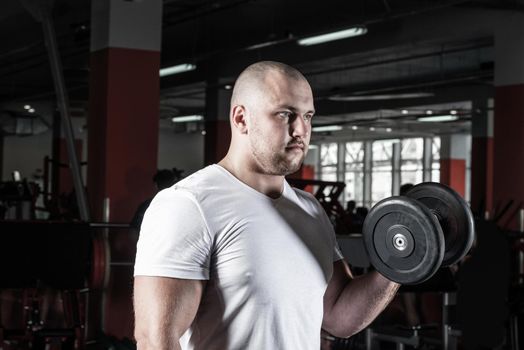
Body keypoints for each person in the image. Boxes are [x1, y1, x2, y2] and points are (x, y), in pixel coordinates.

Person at [133, 61, 399, 350]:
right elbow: (155, 340)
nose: (301, 129)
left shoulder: (311, 209)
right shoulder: (189, 204)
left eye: (308, 116)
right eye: (285, 114)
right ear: (241, 119)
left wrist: (400, 265)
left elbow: (338, 317)